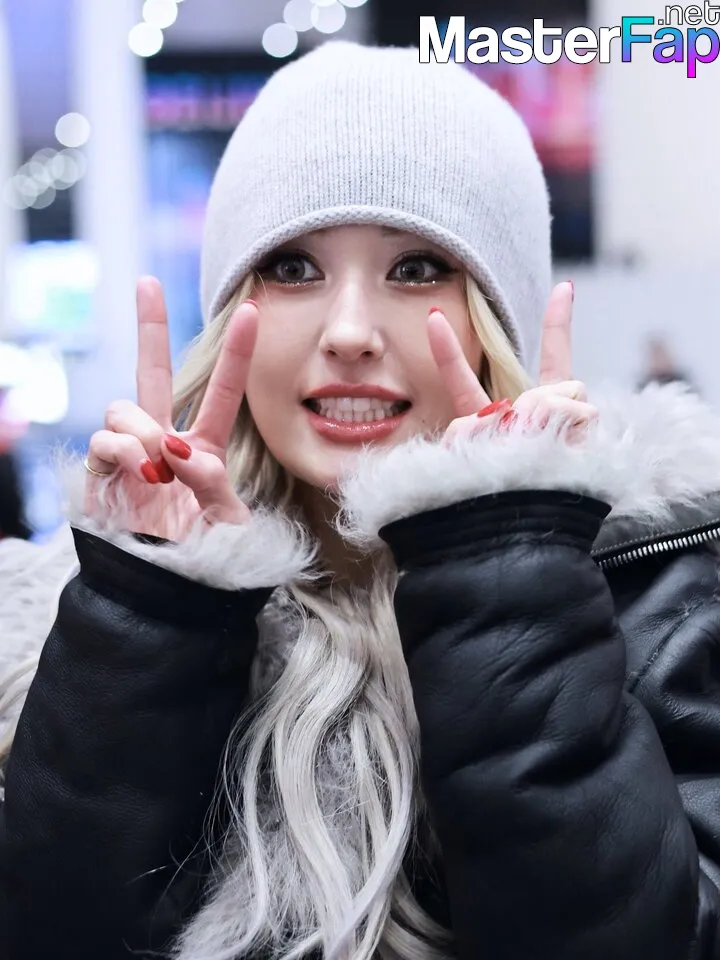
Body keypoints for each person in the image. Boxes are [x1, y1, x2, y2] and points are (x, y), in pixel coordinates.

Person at [2, 40, 720, 960]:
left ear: (496, 320)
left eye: (417, 268)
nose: (348, 332)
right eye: (293, 268)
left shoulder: (661, 602)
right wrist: (156, 608)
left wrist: (508, 570)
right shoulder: (54, 630)